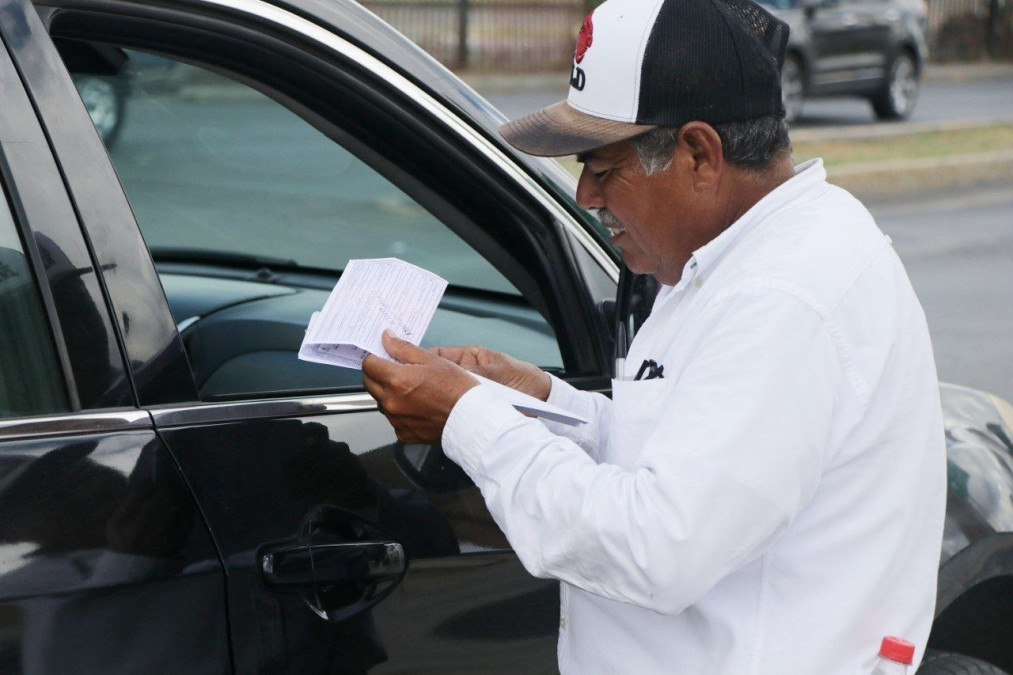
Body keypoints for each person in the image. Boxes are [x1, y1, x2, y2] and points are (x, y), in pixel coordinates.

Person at [362, 0, 947, 671]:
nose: (583, 194)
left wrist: (467, 416)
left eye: (601, 167)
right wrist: (539, 399)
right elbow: (684, 452)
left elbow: (656, 547)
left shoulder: (784, 295)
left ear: (698, 154)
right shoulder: (737, 256)